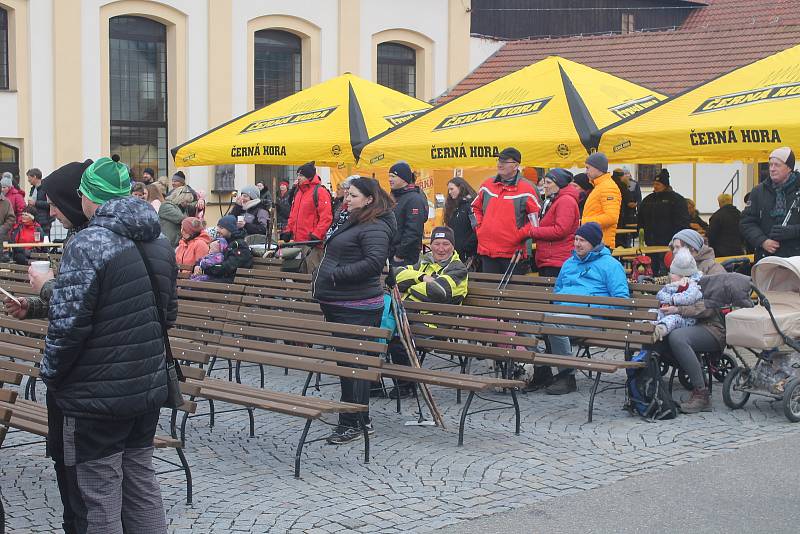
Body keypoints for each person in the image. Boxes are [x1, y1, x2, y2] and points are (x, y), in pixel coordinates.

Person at [41, 154, 173, 533]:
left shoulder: (90, 243)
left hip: (95, 395)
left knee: (97, 493)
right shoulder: (158, 239)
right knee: (140, 482)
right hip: (145, 386)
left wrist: (51, 377)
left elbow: (67, 327)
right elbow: (168, 313)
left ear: (89, 197)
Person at [3, 159, 94, 533]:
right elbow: (68, 304)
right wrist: (34, 306)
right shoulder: (77, 237)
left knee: (79, 471)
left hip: (80, 376)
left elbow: (85, 307)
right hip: (64, 371)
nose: (50, 210)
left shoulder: (94, 243)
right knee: (63, 461)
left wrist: (44, 286)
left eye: (56, 202)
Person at [311, 177, 396, 444]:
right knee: (349, 365)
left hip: (356, 305)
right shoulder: (352, 219)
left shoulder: (374, 225)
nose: (347, 199)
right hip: (339, 302)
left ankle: (353, 422)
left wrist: (336, 275)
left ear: (369, 199)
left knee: (354, 366)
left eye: (354, 195)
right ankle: (360, 418)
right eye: (347, 194)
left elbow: (373, 263)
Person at [527, 222, 629, 394]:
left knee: (554, 323)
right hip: (562, 315)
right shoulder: (569, 263)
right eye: (576, 239)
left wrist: (590, 306)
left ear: (594, 243)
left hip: (591, 319)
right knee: (524, 319)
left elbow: (622, 301)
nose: (577, 244)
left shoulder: (611, 265)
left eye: (583, 240)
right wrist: (561, 306)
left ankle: (567, 376)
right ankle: (542, 369)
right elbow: (558, 291)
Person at [389, 227, 469, 398]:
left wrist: (409, 288)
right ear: (430, 245)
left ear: (453, 246)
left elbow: (439, 291)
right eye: (437, 243)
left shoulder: (458, 269)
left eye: (446, 244)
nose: (441, 249)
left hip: (436, 324)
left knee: (397, 342)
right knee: (380, 334)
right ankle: (375, 384)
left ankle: (407, 385)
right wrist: (421, 277)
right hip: (411, 317)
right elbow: (395, 274)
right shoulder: (424, 262)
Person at [472, 147, 540, 274]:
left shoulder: (528, 189)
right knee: (490, 292)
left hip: (513, 254)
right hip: (487, 251)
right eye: (499, 160)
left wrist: (518, 236)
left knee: (511, 292)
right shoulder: (487, 185)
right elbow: (474, 208)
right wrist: (480, 228)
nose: (499, 164)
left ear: (516, 165)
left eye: (504, 161)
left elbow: (536, 221)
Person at [740, 147, 800, 261]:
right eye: (770, 165)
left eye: (777, 165)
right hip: (766, 258)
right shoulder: (758, 191)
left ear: (789, 168)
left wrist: (793, 231)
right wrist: (762, 241)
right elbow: (746, 222)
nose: (772, 169)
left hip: (796, 260)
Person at [519, 168, 579, 278]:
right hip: (551, 258)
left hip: (557, 259)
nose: (545, 185)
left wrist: (534, 231)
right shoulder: (555, 199)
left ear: (559, 183)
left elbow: (560, 230)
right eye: (545, 182)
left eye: (549, 182)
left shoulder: (565, 201)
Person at [281, 161, 332, 274]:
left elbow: (326, 218)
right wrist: (288, 230)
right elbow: (293, 215)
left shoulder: (320, 192)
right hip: (298, 242)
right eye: (297, 175)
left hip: (313, 244)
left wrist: (316, 235)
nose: (298, 178)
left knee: (312, 274)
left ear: (309, 177)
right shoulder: (298, 192)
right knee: (299, 275)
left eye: (301, 175)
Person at [652, 248, 703, 341]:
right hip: (668, 312)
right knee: (654, 312)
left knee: (672, 319)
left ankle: (659, 331)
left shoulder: (693, 287)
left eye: (673, 273)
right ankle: (647, 326)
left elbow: (688, 299)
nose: (670, 275)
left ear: (683, 276)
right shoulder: (672, 285)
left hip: (685, 319)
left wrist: (672, 299)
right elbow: (660, 294)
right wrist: (673, 287)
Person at [388, 161, 428, 267]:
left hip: (404, 258)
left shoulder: (414, 199)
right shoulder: (396, 196)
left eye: (393, 176)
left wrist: (400, 255)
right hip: (392, 253)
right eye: (389, 176)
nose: (389, 179)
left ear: (403, 178)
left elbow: (413, 231)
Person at [638, 169, 691, 246]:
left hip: (670, 242)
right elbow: (640, 217)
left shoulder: (676, 199)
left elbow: (683, 221)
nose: (655, 186)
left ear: (665, 185)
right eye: (654, 184)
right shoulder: (648, 200)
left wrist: (679, 239)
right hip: (651, 241)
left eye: (658, 184)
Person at [196, 215, 253, 282]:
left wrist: (205, 270)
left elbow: (228, 267)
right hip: (222, 279)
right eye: (218, 227)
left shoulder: (239, 245)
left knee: (198, 285)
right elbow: (209, 257)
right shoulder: (222, 242)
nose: (218, 230)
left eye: (221, 228)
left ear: (230, 229)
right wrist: (198, 265)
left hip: (233, 282)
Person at [581, 152, 620, 249]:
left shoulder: (608, 187)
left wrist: (583, 222)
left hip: (601, 243)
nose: (586, 172)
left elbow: (611, 217)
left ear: (597, 168)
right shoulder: (601, 186)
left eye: (587, 168)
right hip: (596, 241)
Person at [443, 177, 478, 265]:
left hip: (467, 253)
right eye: (449, 190)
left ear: (460, 188)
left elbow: (477, 228)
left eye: (452, 189)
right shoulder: (453, 206)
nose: (449, 192)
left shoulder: (471, 206)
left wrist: (467, 246)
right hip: (454, 252)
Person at [26, 168, 52, 238]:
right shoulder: (32, 189)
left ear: (34, 177)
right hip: (34, 221)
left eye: (29, 177)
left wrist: (35, 203)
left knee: (45, 243)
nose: (28, 180)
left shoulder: (46, 188)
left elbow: (50, 204)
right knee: (36, 242)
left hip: (45, 222)